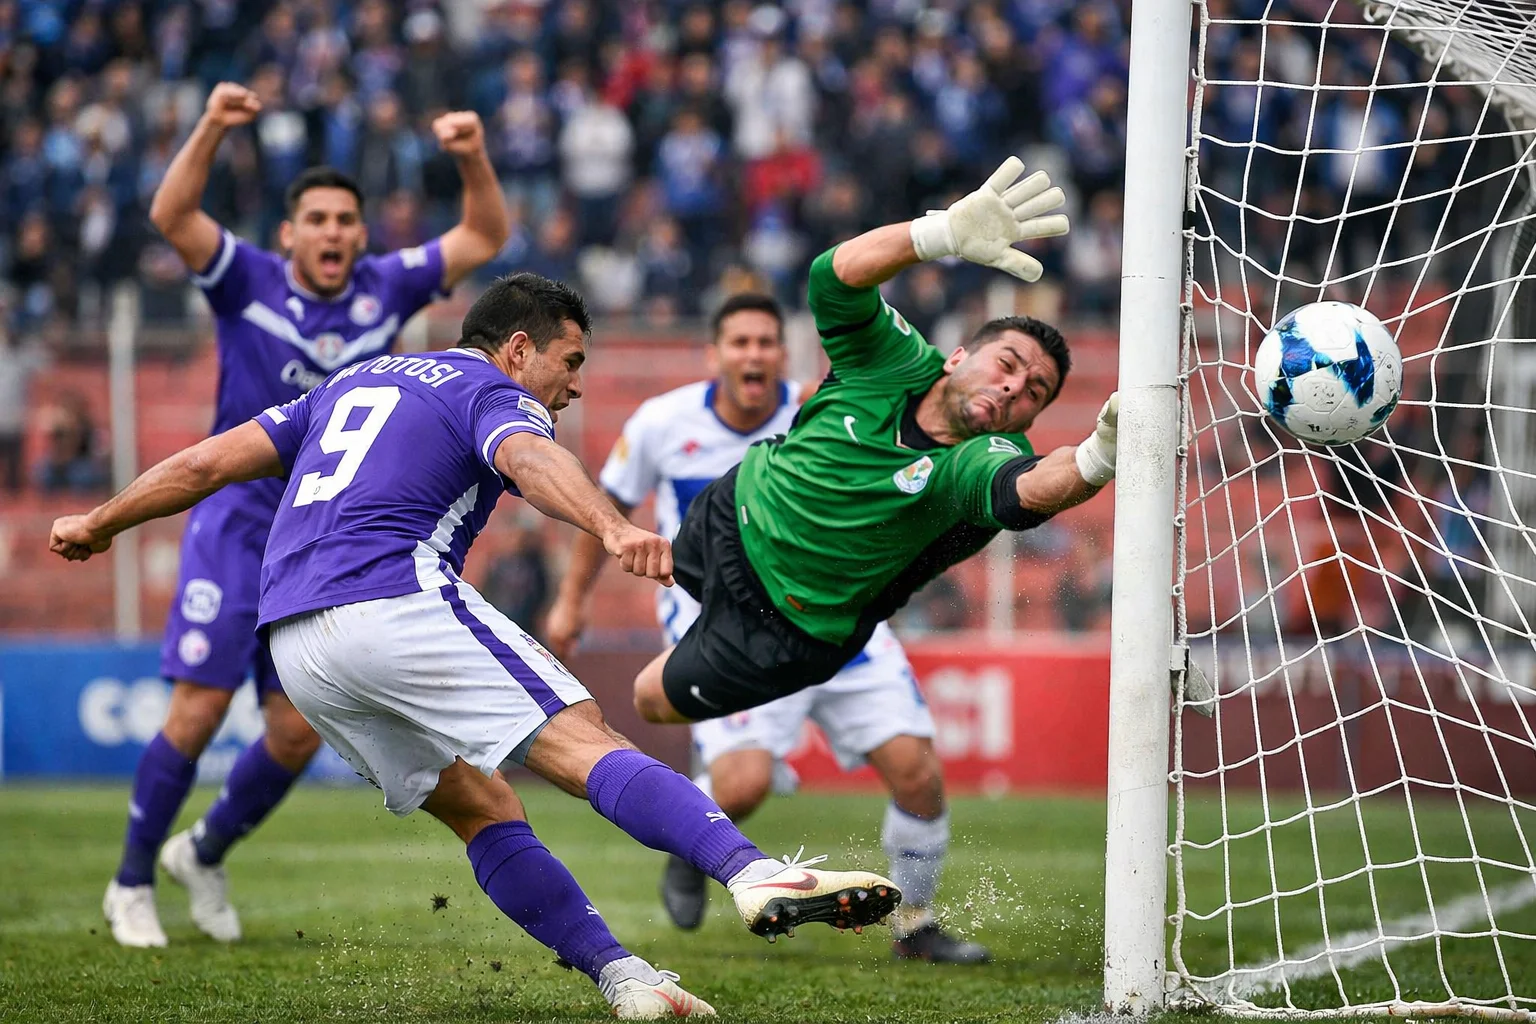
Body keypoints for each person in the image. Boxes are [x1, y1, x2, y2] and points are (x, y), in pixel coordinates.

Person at [50, 274, 901, 1020]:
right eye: (570, 364)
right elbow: (529, 456)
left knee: (481, 807)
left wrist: (99, 520)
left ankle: (624, 977)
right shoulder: (489, 389)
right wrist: (610, 524)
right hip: (391, 598)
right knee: (581, 738)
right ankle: (750, 871)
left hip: (297, 645)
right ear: (520, 347)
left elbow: (206, 463)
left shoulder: (353, 380)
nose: (571, 388)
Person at [104, 81, 509, 949]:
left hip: (320, 530)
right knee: (197, 712)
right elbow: (173, 213)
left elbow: (484, 236)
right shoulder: (243, 274)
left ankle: (204, 852)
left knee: (293, 731)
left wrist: (470, 152)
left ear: (362, 233)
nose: (332, 232)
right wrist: (212, 124)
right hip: (234, 520)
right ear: (288, 232)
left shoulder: (386, 287)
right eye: (316, 219)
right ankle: (130, 882)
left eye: (345, 220)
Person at [545, 292, 990, 963]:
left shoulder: (815, 407)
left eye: (765, 343)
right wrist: (572, 601)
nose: (753, 354)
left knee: (917, 772)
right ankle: (696, 849)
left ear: (784, 354)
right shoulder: (663, 422)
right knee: (745, 786)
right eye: (740, 342)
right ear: (714, 354)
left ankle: (916, 925)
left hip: (840, 622)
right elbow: (608, 506)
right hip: (728, 631)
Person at [629, 157, 1120, 725]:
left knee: (649, 702)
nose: (1013, 387)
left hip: (789, 626)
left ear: (1027, 422)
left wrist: (1099, 455)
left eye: (1034, 391)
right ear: (958, 356)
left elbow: (1033, 487)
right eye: (1006, 364)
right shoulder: (894, 357)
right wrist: (940, 234)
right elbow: (832, 278)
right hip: (727, 519)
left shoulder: (978, 463)